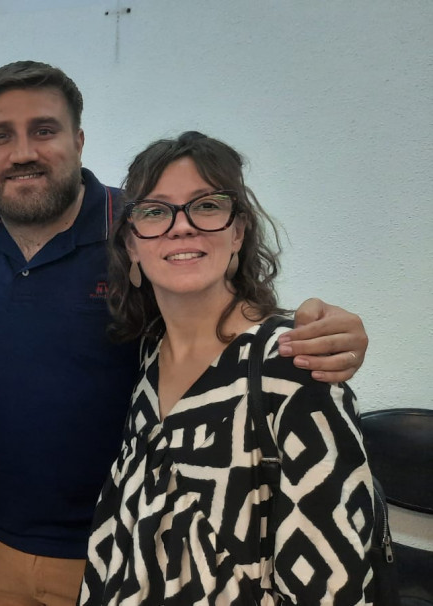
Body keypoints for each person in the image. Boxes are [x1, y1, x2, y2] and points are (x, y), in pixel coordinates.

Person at [0, 61, 369, 605]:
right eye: (0, 135)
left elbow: (222, 313)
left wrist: (330, 332)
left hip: (116, 548)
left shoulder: (138, 223)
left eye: (44, 130)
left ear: (78, 139)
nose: (23, 151)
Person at [79, 131, 374, 604]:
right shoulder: (148, 356)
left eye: (206, 205)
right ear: (131, 245)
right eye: (154, 211)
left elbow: (333, 585)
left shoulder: (295, 369)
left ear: (238, 231)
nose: (181, 227)